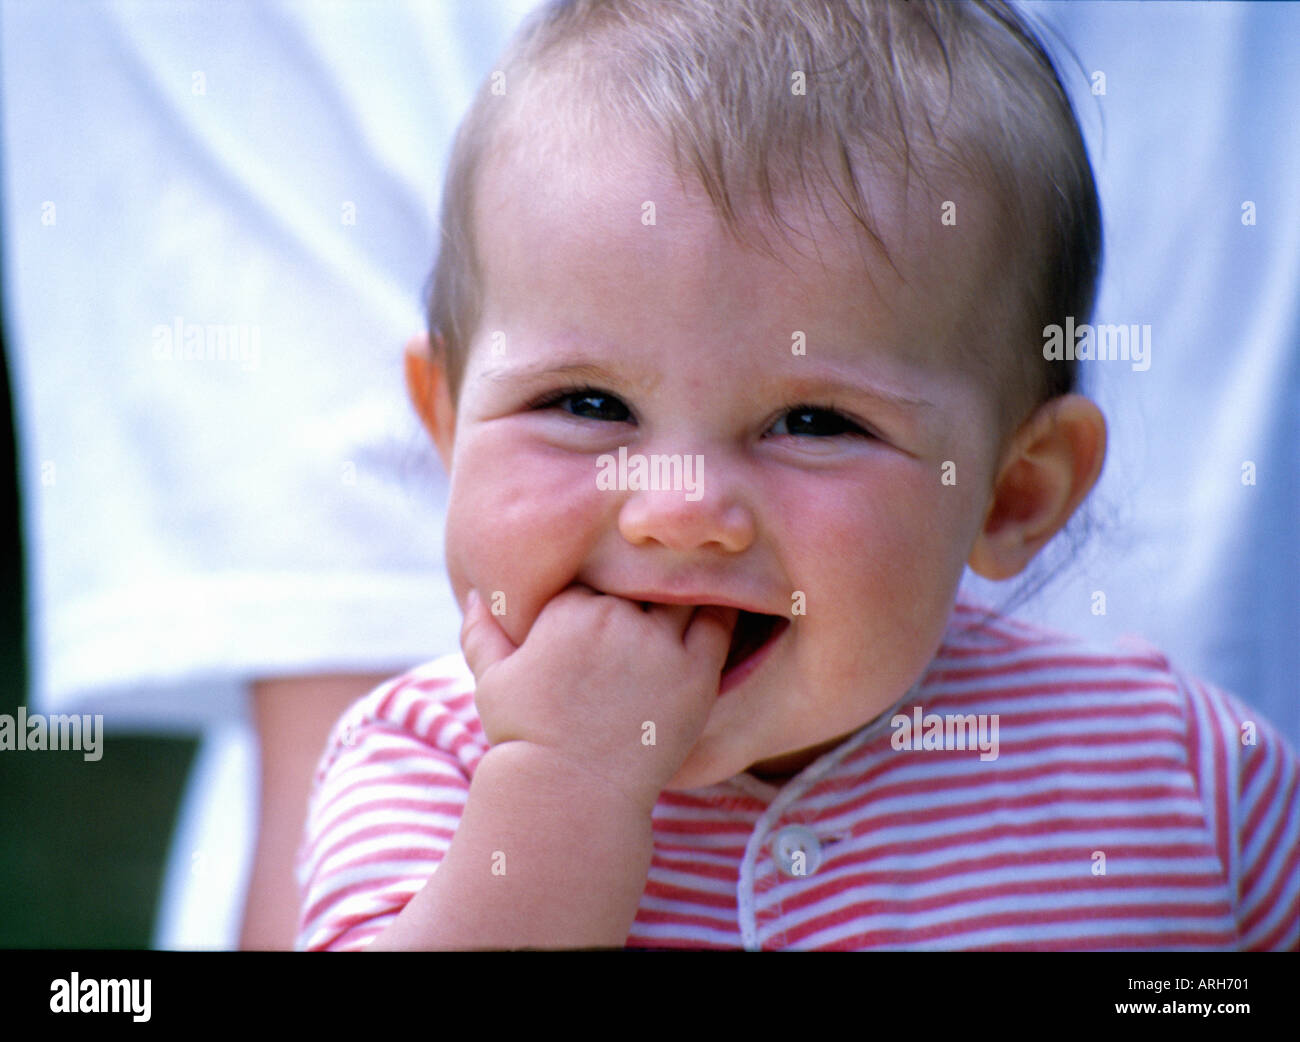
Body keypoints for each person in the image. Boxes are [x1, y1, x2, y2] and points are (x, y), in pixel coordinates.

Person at [295, 0, 1299, 950]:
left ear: (1013, 491)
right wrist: (565, 785)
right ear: (445, 422)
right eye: (587, 404)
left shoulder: (1183, 780)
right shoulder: (424, 767)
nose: (680, 511)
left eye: (812, 422)